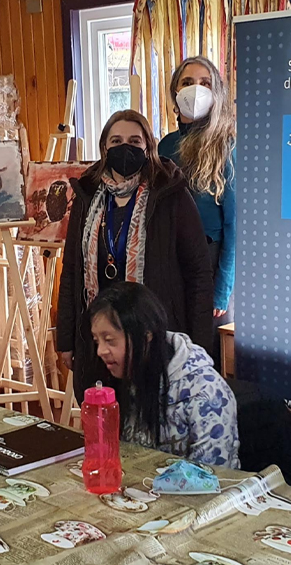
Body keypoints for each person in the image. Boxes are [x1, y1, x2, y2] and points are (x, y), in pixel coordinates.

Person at [57, 110, 214, 401]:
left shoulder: (171, 194)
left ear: (148, 146)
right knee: (104, 416)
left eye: (134, 141)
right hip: (99, 341)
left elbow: (199, 273)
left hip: (155, 338)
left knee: (151, 416)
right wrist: (66, 338)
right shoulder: (87, 196)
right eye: (116, 141)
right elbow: (71, 270)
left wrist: (200, 343)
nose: (125, 148)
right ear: (104, 147)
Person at [89, 282, 239, 467]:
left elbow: (213, 476)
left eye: (110, 340)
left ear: (146, 335)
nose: (101, 351)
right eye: (97, 341)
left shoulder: (206, 394)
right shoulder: (131, 375)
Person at [158, 57, 237, 333]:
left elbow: (235, 225)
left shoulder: (227, 146)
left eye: (205, 83)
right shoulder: (165, 146)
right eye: (188, 82)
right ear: (176, 92)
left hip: (211, 262)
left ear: (216, 94)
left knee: (207, 346)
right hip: (172, 260)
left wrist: (222, 288)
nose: (196, 89)